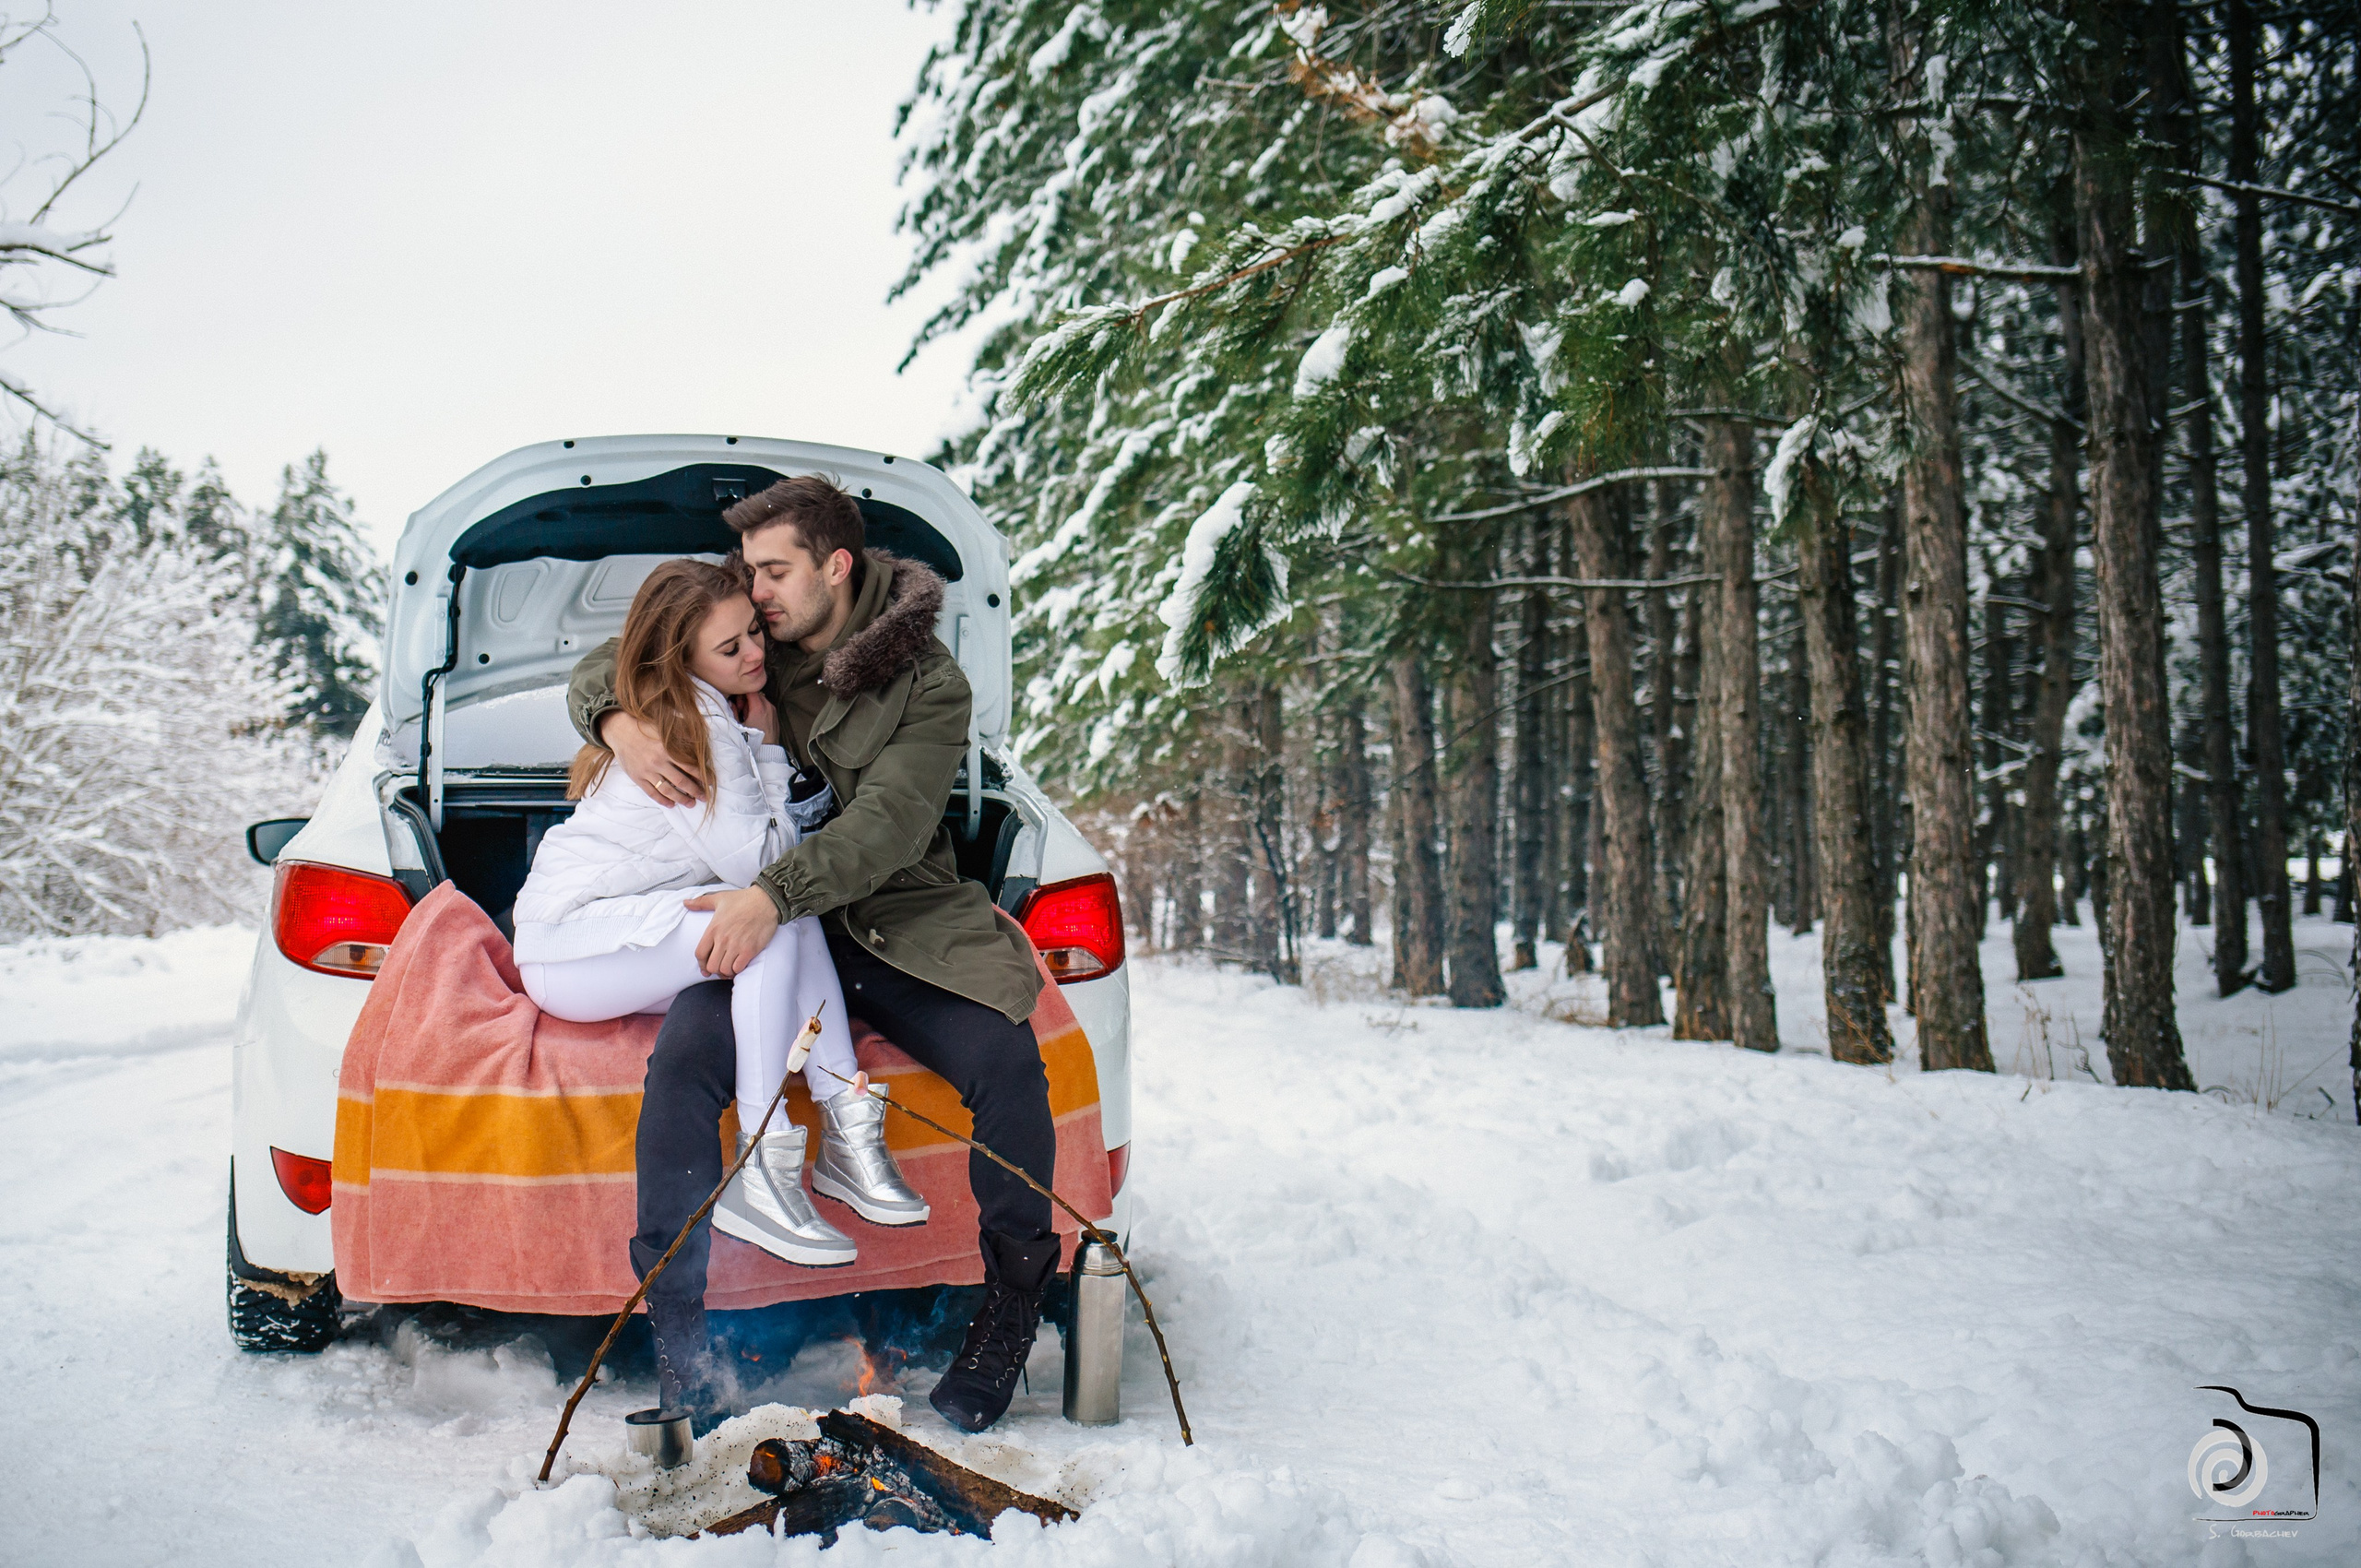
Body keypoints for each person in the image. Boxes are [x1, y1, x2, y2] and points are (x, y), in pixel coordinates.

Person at [567, 474, 1060, 1435]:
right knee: (683, 1064)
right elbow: (620, 656)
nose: (754, 594)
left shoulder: (929, 683)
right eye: (748, 573)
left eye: (773, 570)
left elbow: (888, 826)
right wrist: (617, 722)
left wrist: (770, 898)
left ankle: (1008, 1315)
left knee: (1007, 1060)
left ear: (835, 566)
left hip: (890, 923)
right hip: (775, 932)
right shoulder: (760, 633)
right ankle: (681, 1345)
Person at [512, 557, 928, 1293]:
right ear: (681, 657)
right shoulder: (693, 723)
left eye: (753, 634)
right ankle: (761, 1163)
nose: (754, 654)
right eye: (730, 648)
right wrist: (768, 750)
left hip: (611, 933)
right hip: (571, 946)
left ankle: (844, 1121)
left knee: (785, 915)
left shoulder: (697, 704)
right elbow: (761, 864)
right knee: (769, 920)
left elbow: (769, 881)